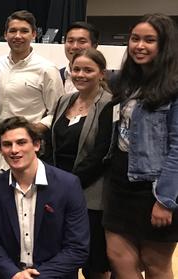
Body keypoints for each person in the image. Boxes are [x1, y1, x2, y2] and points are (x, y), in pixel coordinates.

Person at [104, 13, 178, 278]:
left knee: (154, 263)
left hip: (155, 187)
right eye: (135, 39)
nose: (139, 46)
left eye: (149, 40)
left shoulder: (174, 88)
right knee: (118, 256)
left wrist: (166, 200)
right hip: (120, 181)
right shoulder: (124, 82)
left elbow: (177, 149)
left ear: (165, 45)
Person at [0, 116, 89, 279]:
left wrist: (37, 277)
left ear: (37, 145)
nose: (14, 150)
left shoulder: (68, 185)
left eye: (21, 142)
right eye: (7, 144)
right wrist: (14, 274)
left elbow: (77, 248)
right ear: (0, 149)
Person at [48, 48, 113, 279]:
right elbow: (51, 143)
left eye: (88, 70)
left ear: (101, 74)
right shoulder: (64, 100)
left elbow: (102, 153)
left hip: (90, 194)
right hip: (57, 190)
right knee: (61, 258)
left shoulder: (109, 105)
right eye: (76, 69)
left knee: (94, 263)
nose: (81, 74)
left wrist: (70, 184)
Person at [0, 10, 64, 177]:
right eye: (13, 31)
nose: (17, 36)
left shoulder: (46, 69)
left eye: (24, 31)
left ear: (34, 34)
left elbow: (56, 112)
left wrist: (30, 130)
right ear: (5, 34)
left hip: (27, 148)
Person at [61, 22, 100, 94]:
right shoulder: (57, 75)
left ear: (94, 46)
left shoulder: (108, 79)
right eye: (70, 41)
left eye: (82, 41)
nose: (75, 46)